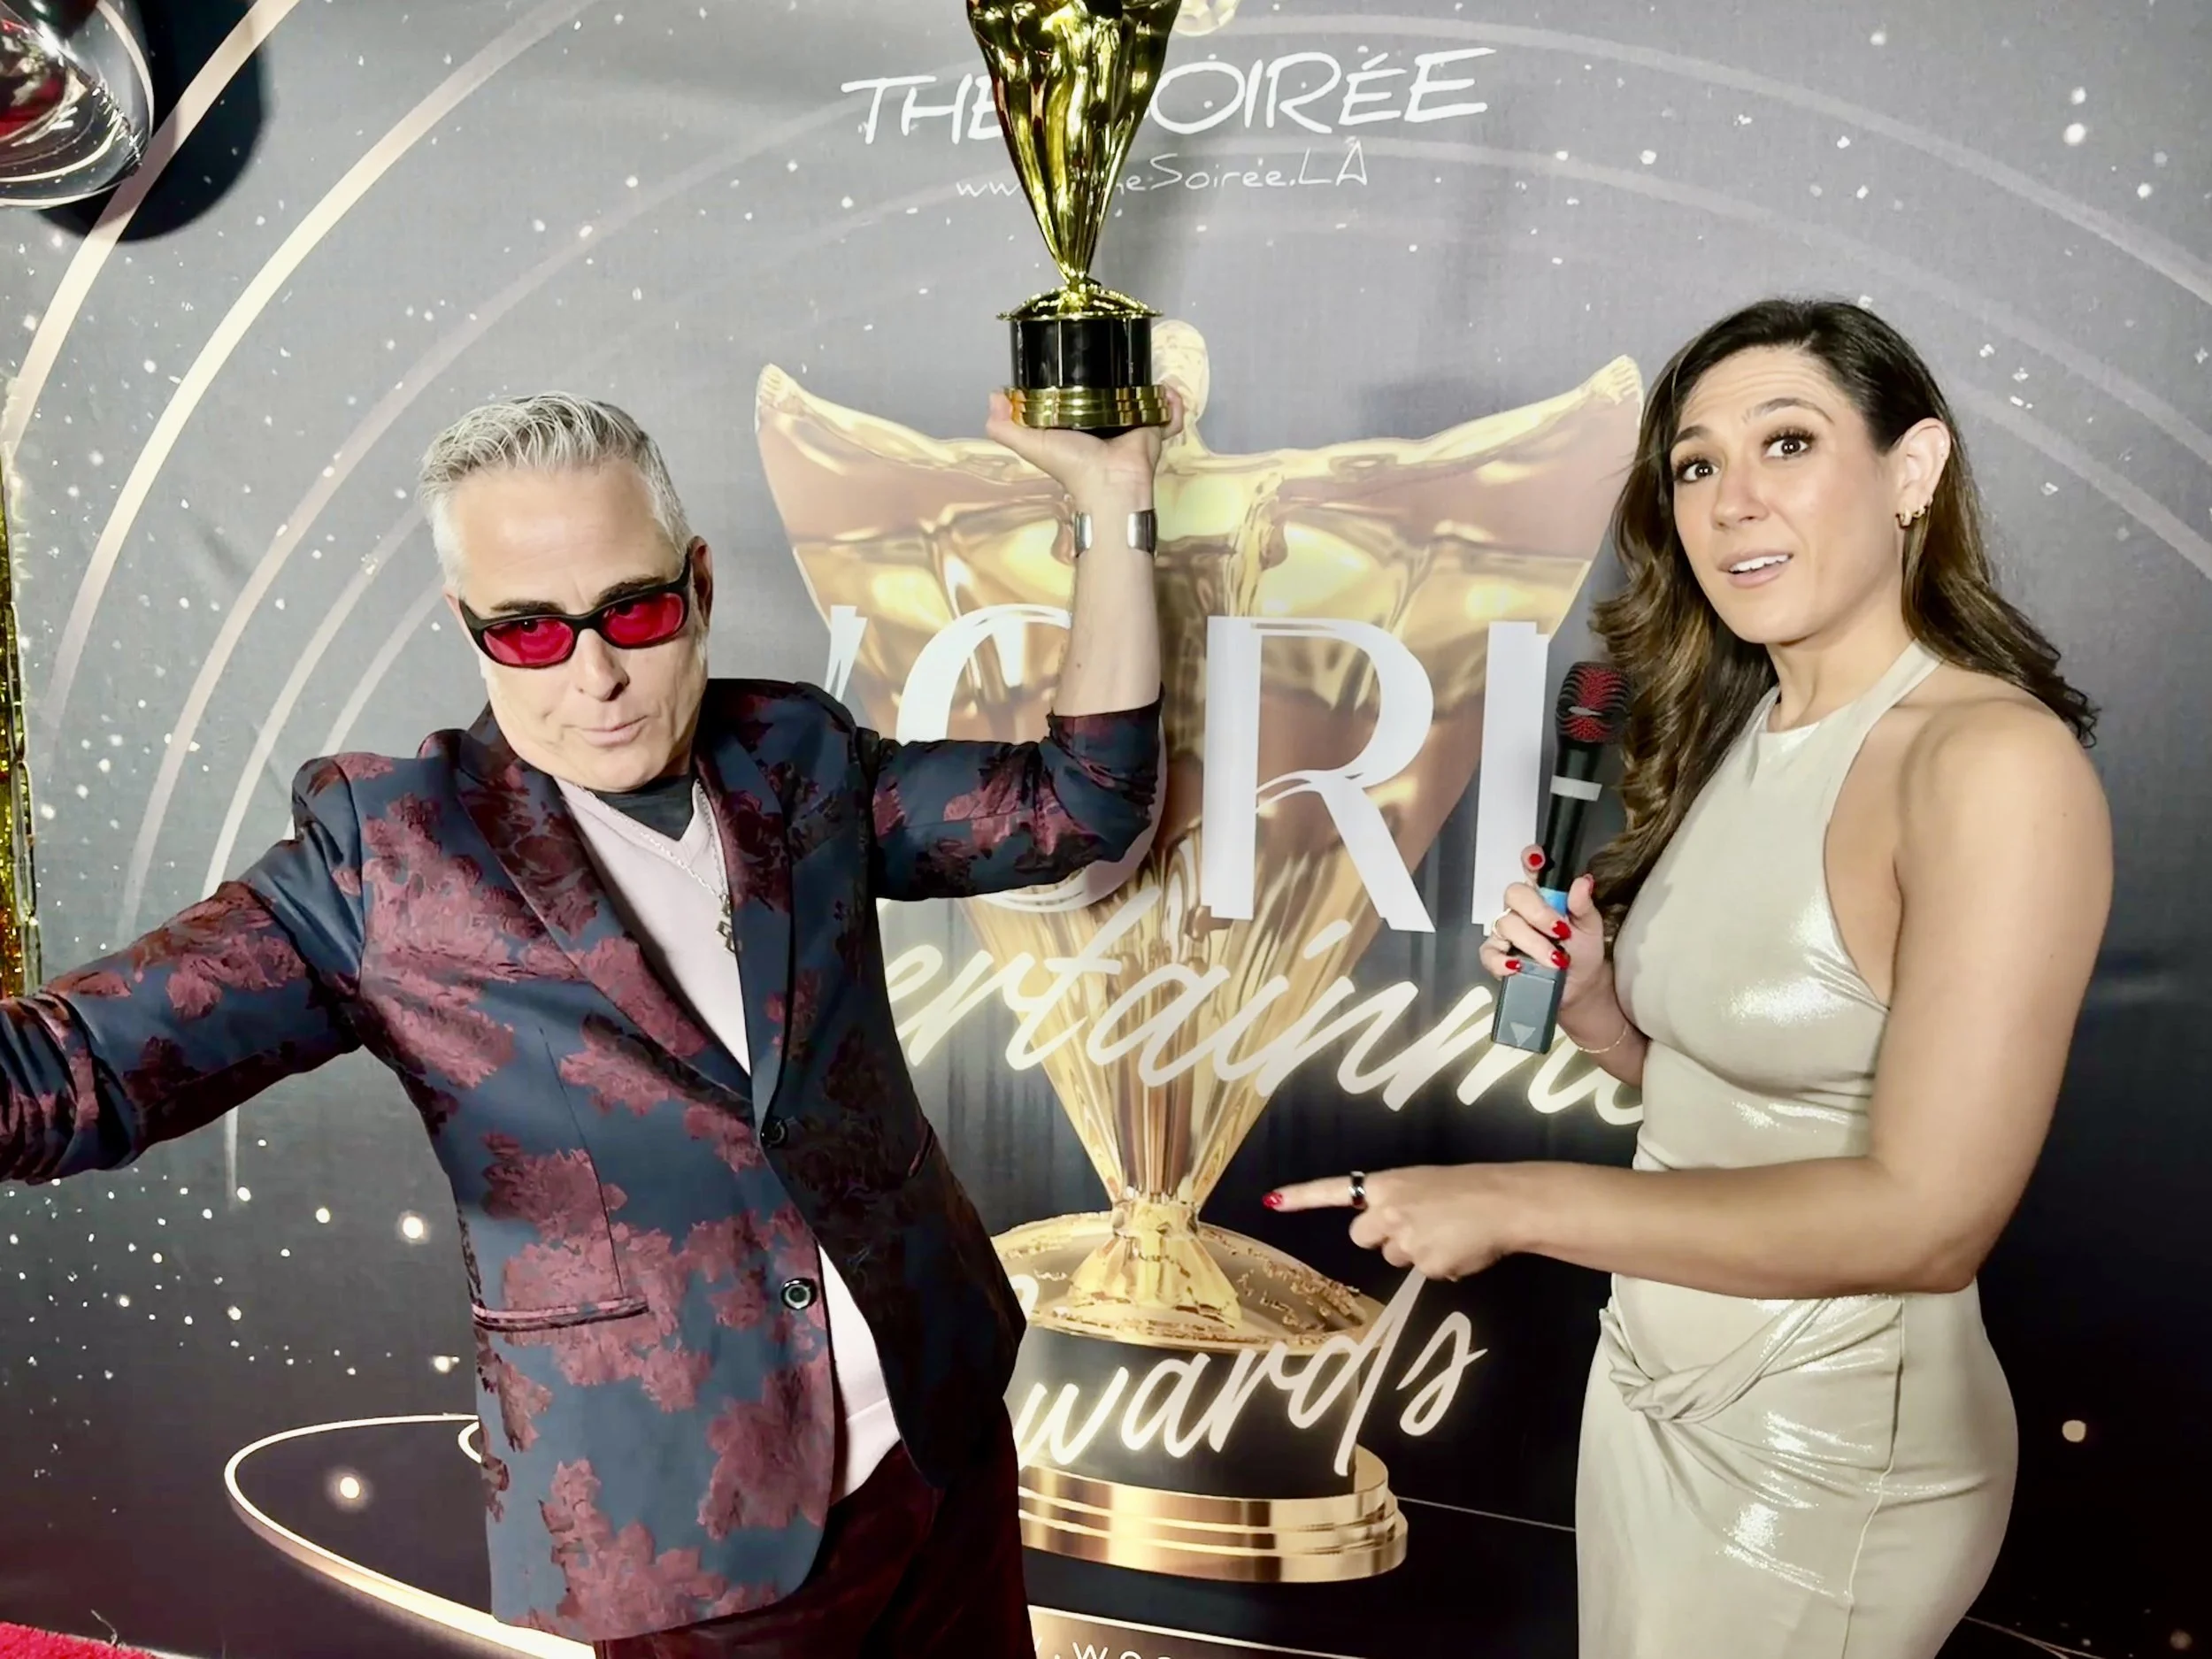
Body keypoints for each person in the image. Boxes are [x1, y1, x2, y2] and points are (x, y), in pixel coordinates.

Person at [0, 388, 1171, 1658]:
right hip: (693, 1539)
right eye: (529, 633)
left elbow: (1082, 803)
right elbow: (64, 1079)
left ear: (701, 584)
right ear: (470, 628)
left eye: (637, 612)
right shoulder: (388, 856)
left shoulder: (796, 753)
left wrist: (1112, 509)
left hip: (938, 1447)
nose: (597, 677)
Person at [1270, 298, 2111, 1656]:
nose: (1731, 502)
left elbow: (1928, 1216)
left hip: (1826, 1453)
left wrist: (1519, 1199)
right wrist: (1605, 1016)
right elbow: (1757, 1108)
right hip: (1657, 1388)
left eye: (1788, 442)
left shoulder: (1989, 766)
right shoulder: (1754, 723)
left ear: (1914, 471)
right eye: (1697, 465)